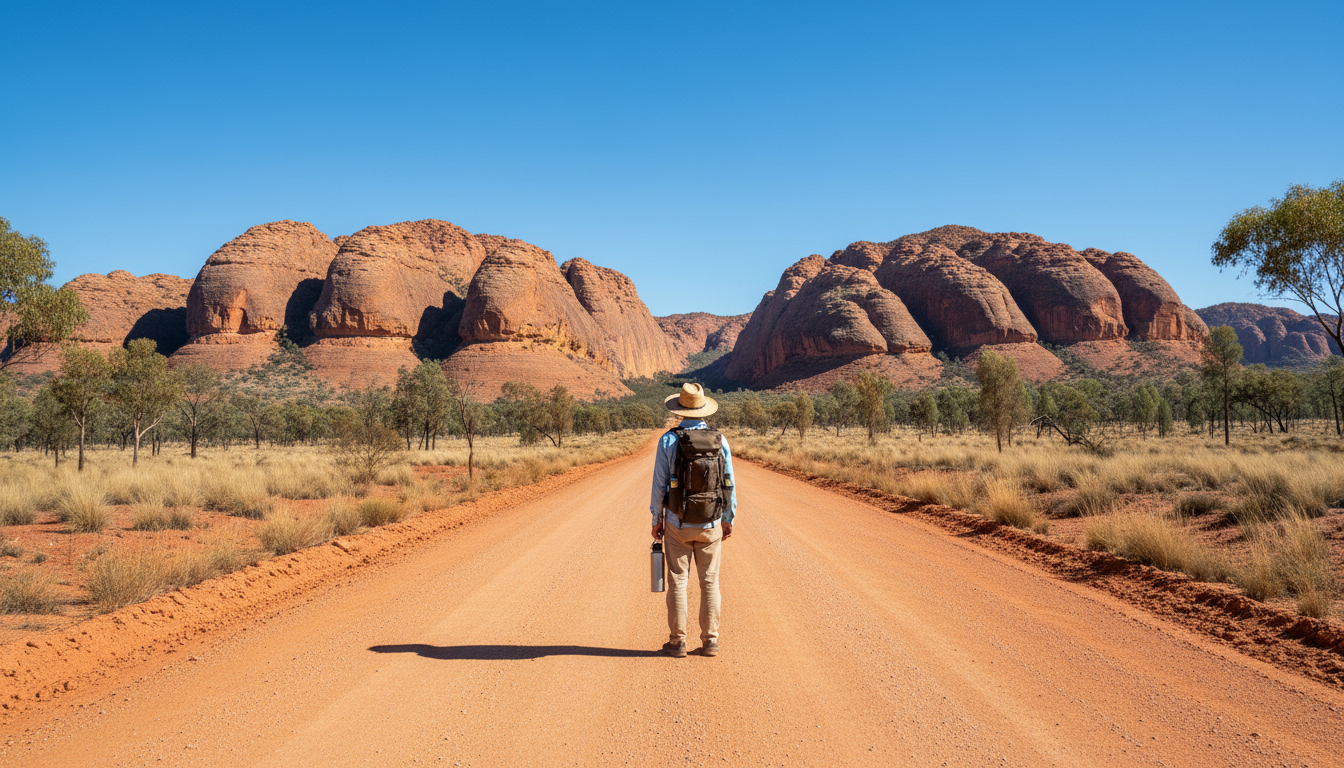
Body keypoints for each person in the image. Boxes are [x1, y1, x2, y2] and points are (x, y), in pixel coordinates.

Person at [651, 382, 737, 658]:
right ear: (703, 408)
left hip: (678, 523)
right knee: (709, 582)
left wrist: (657, 518)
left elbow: (659, 484)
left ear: (680, 410)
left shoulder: (668, 440)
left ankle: (678, 642)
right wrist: (727, 517)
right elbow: (729, 483)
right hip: (710, 523)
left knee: (678, 581)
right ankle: (710, 640)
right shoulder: (719, 439)